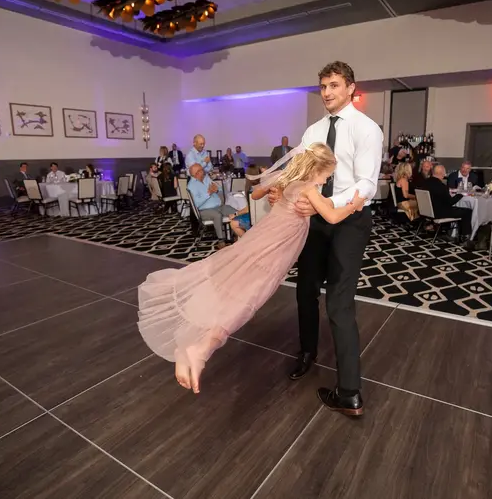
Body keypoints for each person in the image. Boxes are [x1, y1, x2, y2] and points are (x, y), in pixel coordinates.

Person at [137, 142, 366, 395]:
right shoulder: (309, 188)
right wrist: (354, 205)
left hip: (261, 239)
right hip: (274, 250)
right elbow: (332, 216)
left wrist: (275, 191)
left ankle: (194, 347)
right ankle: (199, 349)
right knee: (248, 297)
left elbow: (255, 193)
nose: (328, 177)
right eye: (328, 173)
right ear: (317, 168)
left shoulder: (289, 180)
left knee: (235, 289)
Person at [266, 61, 382, 416]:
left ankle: (349, 392)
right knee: (305, 290)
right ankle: (306, 353)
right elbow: (299, 172)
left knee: (339, 303)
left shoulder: (367, 129)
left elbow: (367, 184)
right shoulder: (313, 129)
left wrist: (330, 206)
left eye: (334, 85)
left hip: (349, 221)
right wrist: (281, 191)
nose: (328, 92)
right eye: (323, 87)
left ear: (350, 88)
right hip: (313, 220)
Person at [187, 163, 235, 248]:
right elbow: (197, 203)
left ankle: (236, 236)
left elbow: (219, 189)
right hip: (204, 211)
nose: (204, 171)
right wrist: (208, 193)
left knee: (233, 210)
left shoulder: (206, 179)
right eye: (202, 170)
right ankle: (221, 241)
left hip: (219, 206)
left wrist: (216, 189)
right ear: (197, 173)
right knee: (217, 215)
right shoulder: (191, 185)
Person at [424, 164, 473, 238]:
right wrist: (461, 194)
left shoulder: (425, 182)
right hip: (438, 213)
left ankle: (450, 231)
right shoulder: (441, 186)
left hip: (426, 211)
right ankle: (464, 236)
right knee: (467, 211)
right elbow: (450, 202)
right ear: (443, 174)